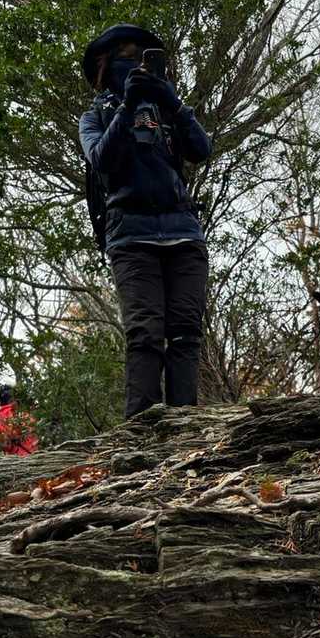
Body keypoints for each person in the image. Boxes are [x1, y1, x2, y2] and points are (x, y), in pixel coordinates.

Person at [80, 23, 212, 418]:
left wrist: (171, 101)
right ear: (105, 67)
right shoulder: (94, 116)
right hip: (131, 236)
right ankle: (141, 432)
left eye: (142, 57)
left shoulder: (167, 108)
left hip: (183, 233)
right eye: (126, 57)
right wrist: (127, 107)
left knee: (186, 333)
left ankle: (185, 426)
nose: (135, 64)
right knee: (145, 334)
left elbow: (201, 149)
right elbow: (101, 160)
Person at [0, 383, 39, 455]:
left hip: (25, 453)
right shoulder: (5, 414)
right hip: (24, 454)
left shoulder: (20, 412)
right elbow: (0, 437)